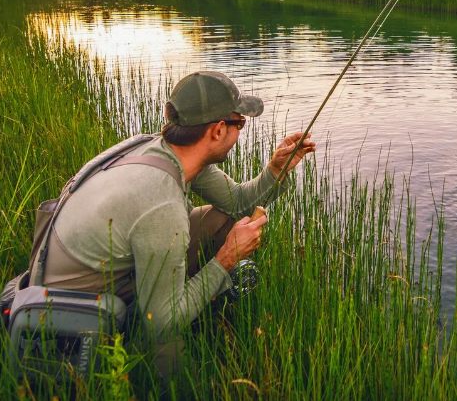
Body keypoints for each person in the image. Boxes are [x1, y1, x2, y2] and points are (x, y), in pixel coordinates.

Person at [39, 71, 315, 370]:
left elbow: (237, 203)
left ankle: (191, 295)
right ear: (218, 130)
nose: (240, 133)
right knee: (169, 345)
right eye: (240, 123)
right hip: (81, 304)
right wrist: (226, 259)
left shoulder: (165, 150)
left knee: (223, 217)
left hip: (107, 266)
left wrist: (277, 168)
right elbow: (159, 324)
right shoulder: (161, 204)